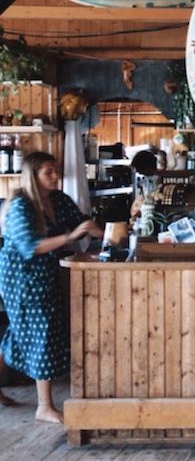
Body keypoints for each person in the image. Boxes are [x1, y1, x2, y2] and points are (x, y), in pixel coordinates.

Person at [0, 152, 102, 423]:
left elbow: (81, 224)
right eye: (49, 172)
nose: (56, 176)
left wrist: (104, 232)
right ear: (33, 176)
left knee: (17, 332)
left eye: (56, 170)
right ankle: (44, 406)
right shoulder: (22, 205)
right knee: (41, 331)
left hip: (45, 274)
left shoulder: (58, 199)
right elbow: (31, 246)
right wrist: (71, 236)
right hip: (21, 278)